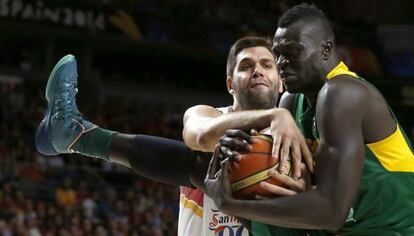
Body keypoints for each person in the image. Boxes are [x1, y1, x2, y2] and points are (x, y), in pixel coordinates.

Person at [35, 36, 313, 236]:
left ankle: (78, 136)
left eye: (267, 65)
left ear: (280, 85)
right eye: (246, 66)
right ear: (230, 83)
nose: (258, 71)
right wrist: (273, 116)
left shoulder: (295, 135)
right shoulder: (208, 114)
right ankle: (76, 136)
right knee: (202, 157)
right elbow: (199, 136)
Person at [205, 3, 414, 236]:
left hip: (393, 229)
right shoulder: (291, 102)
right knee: (252, 189)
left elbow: (331, 212)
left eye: (292, 52)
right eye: (278, 54)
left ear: (326, 50)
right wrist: (234, 146)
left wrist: (230, 205)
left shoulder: (343, 93)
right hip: (343, 228)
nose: (281, 62)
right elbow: (283, 177)